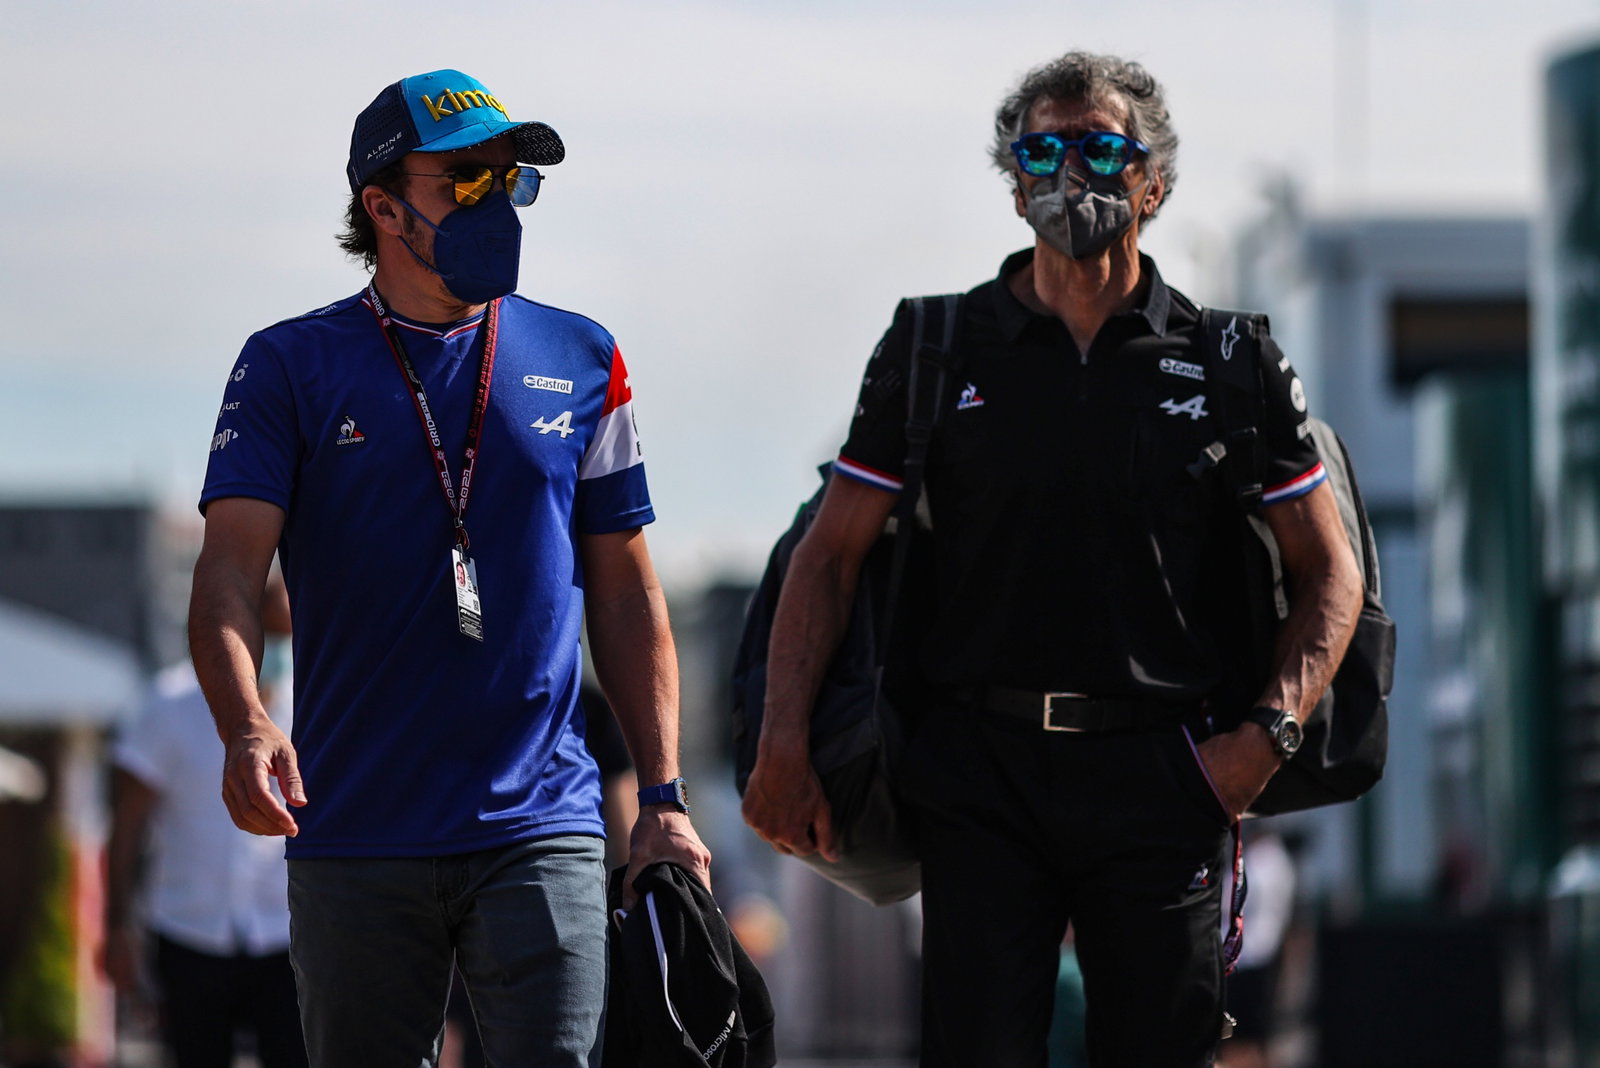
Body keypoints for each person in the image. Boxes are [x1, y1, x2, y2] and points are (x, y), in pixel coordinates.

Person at [741, 51, 1363, 1067]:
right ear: (1013, 179)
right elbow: (828, 557)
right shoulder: (936, 345)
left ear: (1151, 181)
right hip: (980, 773)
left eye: (1100, 147)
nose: (1069, 170)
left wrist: (1264, 740)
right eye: (1041, 149)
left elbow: (1329, 571)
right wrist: (780, 742)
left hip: (1165, 772)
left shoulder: (1231, 360)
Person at [188, 68, 710, 1067]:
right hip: (355, 823)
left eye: (509, 180)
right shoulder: (289, 364)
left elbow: (628, 589)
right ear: (382, 206)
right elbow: (225, 577)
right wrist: (245, 723)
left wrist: (663, 795)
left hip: (542, 818)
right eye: (462, 182)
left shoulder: (585, 353)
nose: (497, 203)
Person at [103, 575, 306, 1068]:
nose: (279, 650)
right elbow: (128, 824)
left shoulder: (310, 703)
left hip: (287, 934)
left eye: (287, 638)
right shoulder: (168, 704)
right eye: (270, 637)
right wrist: (116, 927)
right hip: (189, 928)